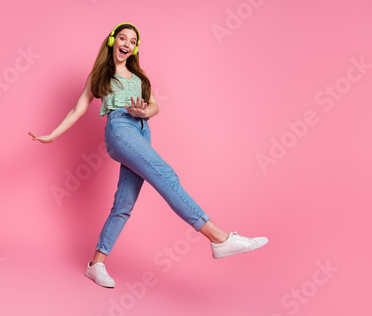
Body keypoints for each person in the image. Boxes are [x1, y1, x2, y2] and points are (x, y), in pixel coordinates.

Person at [28, 22, 268, 289]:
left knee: (124, 203)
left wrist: (143, 113)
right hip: (119, 129)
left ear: (135, 48)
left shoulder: (140, 77)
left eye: (132, 41)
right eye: (122, 38)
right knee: (166, 174)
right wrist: (52, 135)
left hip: (142, 131)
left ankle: (96, 265)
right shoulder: (99, 76)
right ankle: (218, 238)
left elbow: (154, 106)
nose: (127, 44)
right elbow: (78, 109)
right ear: (112, 41)